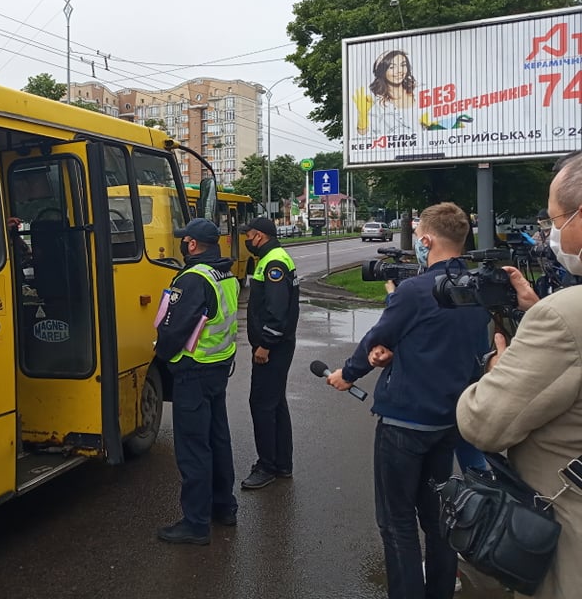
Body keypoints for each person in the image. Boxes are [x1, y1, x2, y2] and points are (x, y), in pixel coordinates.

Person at [327, 202, 490, 599]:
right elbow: (447, 343)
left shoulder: (415, 290)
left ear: (428, 239)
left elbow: (375, 341)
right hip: (448, 422)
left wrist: (346, 375)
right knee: (436, 519)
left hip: (404, 424)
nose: (417, 243)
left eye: (418, 236)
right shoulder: (480, 288)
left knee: (397, 520)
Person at [457, 151, 582, 599]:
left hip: (568, 546)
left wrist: (500, 365)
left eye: (556, 220)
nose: (550, 235)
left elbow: (481, 422)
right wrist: (536, 311)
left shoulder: (566, 317)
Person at [155, 218, 239, 545]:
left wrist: (162, 353)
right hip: (218, 367)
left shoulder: (192, 278)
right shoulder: (226, 274)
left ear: (191, 244)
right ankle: (224, 507)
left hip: (193, 371)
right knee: (218, 440)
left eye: (184, 240)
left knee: (193, 448)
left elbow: (174, 328)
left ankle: (196, 523)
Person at [239, 216, 299, 489]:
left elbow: (277, 311)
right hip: (278, 345)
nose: (247, 240)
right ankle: (282, 464)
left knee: (262, 405)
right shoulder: (273, 257)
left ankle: (267, 466)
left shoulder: (274, 262)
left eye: (248, 235)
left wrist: (265, 345)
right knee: (275, 404)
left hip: (272, 347)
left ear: (259, 236)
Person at [353, 49, 419, 136]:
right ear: (382, 72)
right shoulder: (373, 101)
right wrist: (363, 115)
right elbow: (362, 133)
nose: (400, 71)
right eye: (392, 67)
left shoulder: (418, 92)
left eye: (403, 65)